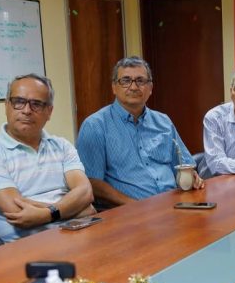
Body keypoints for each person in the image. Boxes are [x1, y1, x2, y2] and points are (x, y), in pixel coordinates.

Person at [0, 73, 95, 242]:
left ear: (49, 111)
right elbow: (19, 213)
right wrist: (75, 208)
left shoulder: (62, 145)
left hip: (80, 236)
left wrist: (46, 213)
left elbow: (85, 192)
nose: (26, 110)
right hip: (28, 247)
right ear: (6, 106)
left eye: (36, 104)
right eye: (19, 102)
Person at [76, 56, 204, 206]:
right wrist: (134, 205)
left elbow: (184, 165)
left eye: (140, 81)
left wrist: (193, 176)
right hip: (129, 212)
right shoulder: (95, 126)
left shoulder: (164, 122)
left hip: (175, 204)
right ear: (114, 87)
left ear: (150, 88)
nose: (133, 87)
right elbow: (92, 182)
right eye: (125, 81)